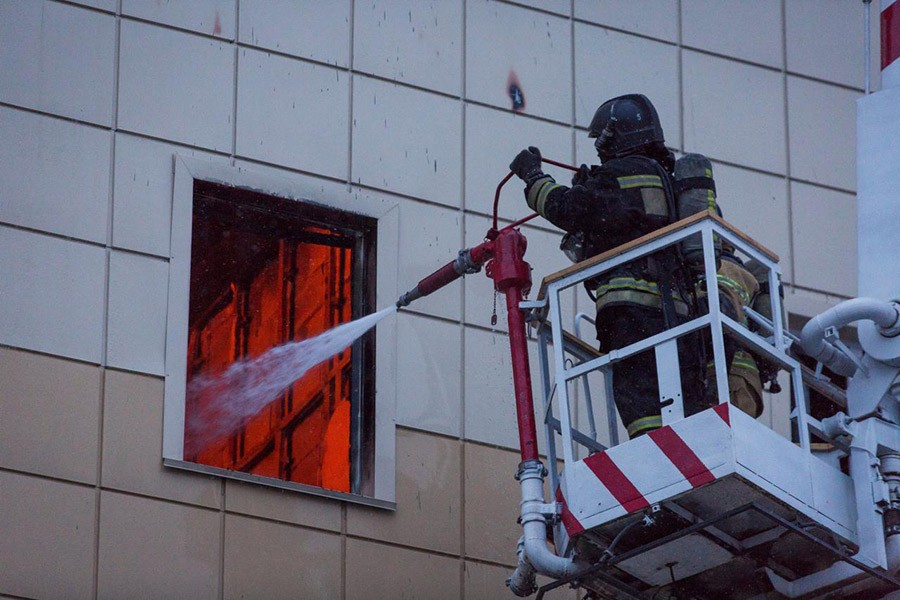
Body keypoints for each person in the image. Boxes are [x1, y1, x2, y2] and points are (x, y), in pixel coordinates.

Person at [509, 94, 703, 439]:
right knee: (676, 396)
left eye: (603, 140)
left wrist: (534, 177)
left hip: (631, 309)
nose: (600, 149)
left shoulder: (623, 173)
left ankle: (650, 458)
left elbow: (567, 209)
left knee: (638, 394)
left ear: (618, 134)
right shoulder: (664, 181)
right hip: (677, 310)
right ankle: (676, 453)